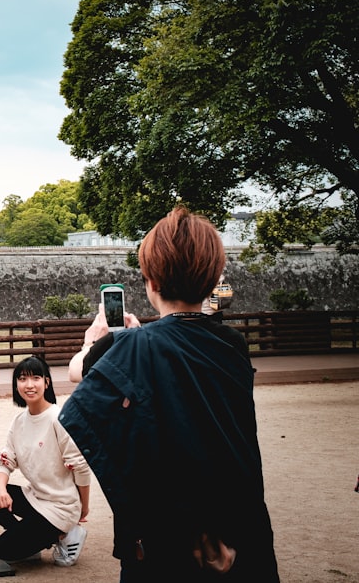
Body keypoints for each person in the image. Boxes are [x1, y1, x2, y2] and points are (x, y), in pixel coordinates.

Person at [59, 207, 279, 581]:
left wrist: (92, 342)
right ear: (212, 278)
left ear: (151, 280)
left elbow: (76, 373)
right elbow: (178, 350)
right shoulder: (232, 344)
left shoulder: (129, 346)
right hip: (238, 518)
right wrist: (134, 337)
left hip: (165, 531)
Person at [0, 356, 91, 566]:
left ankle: (67, 534)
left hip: (60, 507)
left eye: (36, 378)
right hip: (36, 498)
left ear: (46, 382)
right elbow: (5, 461)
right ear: (16, 384)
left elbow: (80, 467)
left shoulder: (59, 418)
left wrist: (83, 508)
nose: (29, 385)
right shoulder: (20, 422)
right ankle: (32, 538)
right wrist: (1, 491)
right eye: (22, 379)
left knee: (4, 550)